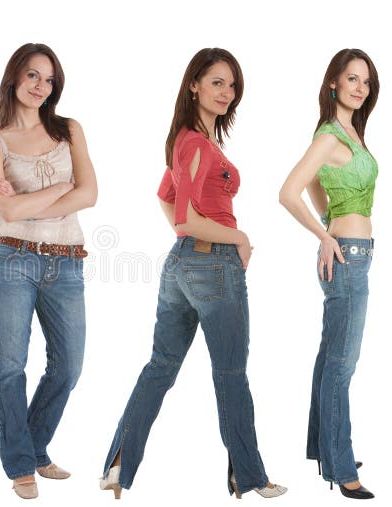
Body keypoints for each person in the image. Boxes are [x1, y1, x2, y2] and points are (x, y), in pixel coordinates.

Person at [99, 48, 286, 500]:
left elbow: (165, 196)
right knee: (230, 373)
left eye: (232, 84)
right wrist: (236, 238)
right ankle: (250, 476)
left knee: (160, 368)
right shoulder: (198, 145)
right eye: (217, 82)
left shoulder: (185, 141)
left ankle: (118, 469)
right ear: (194, 85)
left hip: (180, 265)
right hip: (213, 267)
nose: (227, 92)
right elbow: (183, 217)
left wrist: (195, 239)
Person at [0, 42, 97, 500]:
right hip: (12, 258)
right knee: (10, 366)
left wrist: (29, 202)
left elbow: (90, 194)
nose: (40, 86)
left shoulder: (70, 129)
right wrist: (63, 187)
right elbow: (4, 208)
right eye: (32, 75)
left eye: (48, 79)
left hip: (67, 260)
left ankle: (33, 446)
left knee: (68, 366)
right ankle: (21, 463)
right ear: (14, 78)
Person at [279, 48, 379, 500]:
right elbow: (288, 191)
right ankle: (341, 467)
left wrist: (330, 228)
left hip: (354, 254)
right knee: (342, 366)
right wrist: (325, 236)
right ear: (333, 83)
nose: (360, 88)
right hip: (347, 259)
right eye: (352, 79)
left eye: (366, 81)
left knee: (330, 360)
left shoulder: (350, 133)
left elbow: (320, 190)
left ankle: (326, 446)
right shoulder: (328, 137)